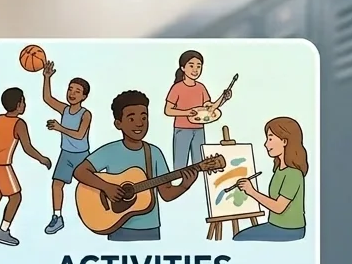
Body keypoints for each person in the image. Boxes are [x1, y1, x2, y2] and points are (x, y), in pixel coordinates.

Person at [73, 90, 201, 242]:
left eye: (144, 117)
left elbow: (166, 194)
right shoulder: (110, 151)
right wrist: (107, 187)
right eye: (131, 118)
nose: (139, 123)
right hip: (117, 226)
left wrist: (184, 185)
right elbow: (80, 172)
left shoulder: (154, 152)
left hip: (151, 228)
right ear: (118, 124)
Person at [0, 87, 52, 247]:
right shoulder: (19, 123)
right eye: (23, 101)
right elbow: (27, 147)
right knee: (15, 196)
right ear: (18, 105)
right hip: (1, 165)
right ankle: (3, 231)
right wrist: (42, 158)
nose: (25, 104)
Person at [234, 117, 308, 242]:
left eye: (270, 138)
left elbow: (279, 207)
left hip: (290, 230)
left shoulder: (293, 174)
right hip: (277, 226)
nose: (266, 144)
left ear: (284, 141)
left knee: (239, 238)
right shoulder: (279, 170)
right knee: (239, 237)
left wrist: (251, 191)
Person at [39, 62, 91, 234]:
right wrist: (46, 78)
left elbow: (80, 135)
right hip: (66, 154)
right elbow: (47, 99)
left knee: (90, 187)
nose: (72, 93)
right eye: (70, 89)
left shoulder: (86, 114)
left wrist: (60, 128)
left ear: (84, 97)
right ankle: (57, 217)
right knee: (56, 184)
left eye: (77, 91)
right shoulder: (65, 109)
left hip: (81, 155)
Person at [162, 50, 230, 170]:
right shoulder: (177, 88)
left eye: (199, 66)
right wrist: (186, 112)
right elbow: (168, 110)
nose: (195, 70)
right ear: (183, 68)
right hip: (182, 130)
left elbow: (210, 107)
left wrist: (223, 98)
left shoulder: (201, 87)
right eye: (191, 65)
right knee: (180, 166)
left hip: (199, 130)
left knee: (200, 165)